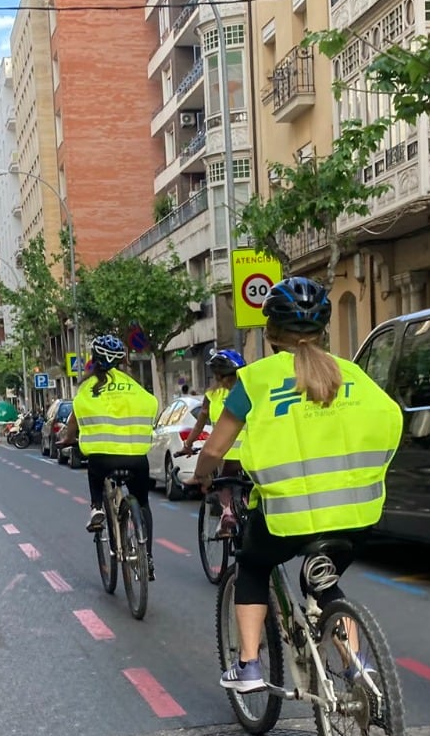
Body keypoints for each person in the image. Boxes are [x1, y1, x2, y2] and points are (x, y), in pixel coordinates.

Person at [189, 279, 403, 693]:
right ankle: (358, 669)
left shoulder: (254, 380)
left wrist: (201, 476)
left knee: (252, 566)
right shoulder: (353, 374)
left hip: (288, 516)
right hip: (356, 516)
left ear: (269, 332)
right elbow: (390, 421)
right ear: (324, 332)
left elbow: (216, 448)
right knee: (321, 581)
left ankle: (249, 665)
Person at [60, 334, 160, 574]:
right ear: (120, 360)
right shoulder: (133, 386)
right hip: (136, 457)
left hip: (103, 458)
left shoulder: (87, 387)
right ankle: (147, 556)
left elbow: (75, 418)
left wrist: (67, 439)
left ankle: (96, 507)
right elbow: (152, 407)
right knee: (143, 503)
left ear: (93, 359)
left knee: (94, 470)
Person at [180, 349, 246, 537]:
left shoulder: (212, 396)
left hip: (226, 453)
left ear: (217, 375)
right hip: (253, 454)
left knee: (221, 483)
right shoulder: (250, 390)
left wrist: (188, 444)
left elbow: (199, 426)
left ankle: (227, 514)